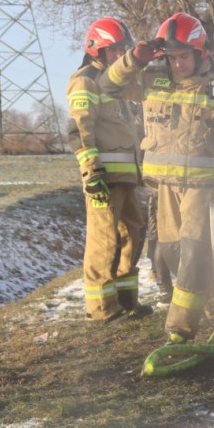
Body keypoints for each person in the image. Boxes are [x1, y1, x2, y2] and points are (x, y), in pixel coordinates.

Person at [100, 13, 214, 344]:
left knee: (193, 254)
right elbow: (107, 86)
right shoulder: (151, 80)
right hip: (164, 187)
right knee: (172, 254)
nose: (178, 64)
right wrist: (134, 59)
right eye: (172, 57)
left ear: (201, 52)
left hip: (204, 188)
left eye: (184, 56)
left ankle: (179, 330)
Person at [66, 17, 150, 322]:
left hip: (126, 176)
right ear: (96, 50)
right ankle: (101, 309)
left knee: (133, 234)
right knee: (104, 241)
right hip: (103, 177)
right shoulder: (85, 80)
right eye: (113, 49)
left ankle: (127, 301)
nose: (119, 55)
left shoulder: (117, 81)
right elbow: (79, 129)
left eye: (122, 49)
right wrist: (91, 172)